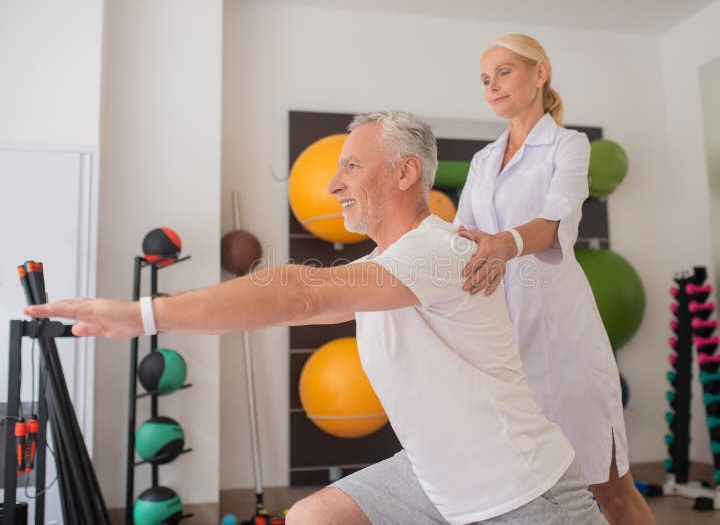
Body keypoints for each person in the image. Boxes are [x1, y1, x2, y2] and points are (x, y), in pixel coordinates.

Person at [27, 111, 606, 524]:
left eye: (352, 166)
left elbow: (302, 296)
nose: (333, 184)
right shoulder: (388, 264)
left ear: (406, 174)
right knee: (315, 516)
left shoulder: (437, 251)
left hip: (524, 496)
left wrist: (143, 314)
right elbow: (302, 300)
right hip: (434, 478)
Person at [453, 34, 654, 525]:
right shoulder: (482, 161)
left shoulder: (568, 145)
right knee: (524, 495)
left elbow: (555, 223)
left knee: (610, 488)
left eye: (503, 72)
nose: (492, 86)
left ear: (539, 73)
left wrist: (502, 243)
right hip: (504, 345)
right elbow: (461, 236)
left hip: (565, 341)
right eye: (484, 78)